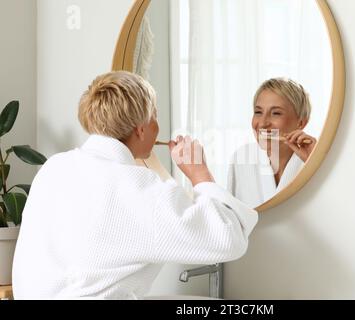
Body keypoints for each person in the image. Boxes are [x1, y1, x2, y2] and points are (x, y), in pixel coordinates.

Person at [12, 71, 258, 299]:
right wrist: (199, 173)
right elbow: (227, 238)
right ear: (141, 129)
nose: (158, 126)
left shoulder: (54, 167)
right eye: (155, 116)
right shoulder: (137, 188)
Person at [227, 78, 317, 208]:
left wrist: (313, 161)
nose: (263, 123)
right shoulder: (241, 158)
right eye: (258, 112)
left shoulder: (314, 159)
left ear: (301, 123)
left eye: (276, 113)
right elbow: (232, 218)